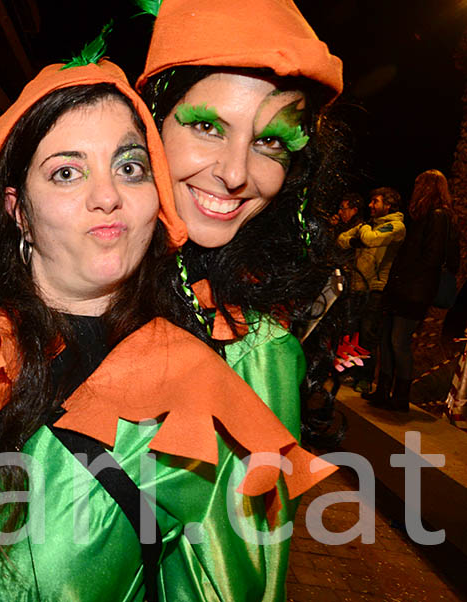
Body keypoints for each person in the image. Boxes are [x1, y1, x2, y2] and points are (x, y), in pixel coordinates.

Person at [0, 56, 334, 602]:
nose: (106, 195)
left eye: (129, 167)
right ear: (18, 210)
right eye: (66, 171)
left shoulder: (200, 383)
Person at [137, 0, 346, 595]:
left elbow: (236, 582)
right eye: (208, 126)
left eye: (271, 142)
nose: (234, 173)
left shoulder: (256, 354)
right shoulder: (61, 274)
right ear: (150, 120)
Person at [376, 169, 460, 411]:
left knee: (398, 341)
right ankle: (384, 391)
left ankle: (400, 396)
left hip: (413, 291)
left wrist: (407, 281)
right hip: (406, 288)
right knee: (388, 339)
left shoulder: (438, 216)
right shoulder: (427, 216)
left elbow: (430, 258)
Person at [337, 187, 405, 394]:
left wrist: (361, 233)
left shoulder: (396, 226)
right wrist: (355, 238)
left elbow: (371, 239)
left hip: (377, 288)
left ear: (388, 205)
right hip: (358, 285)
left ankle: (365, 378)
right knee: (352, 332)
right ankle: (349, 372)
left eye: (375, 202)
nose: (370, 205)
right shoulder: (370, 225)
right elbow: (341, 239)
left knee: (368, 334)